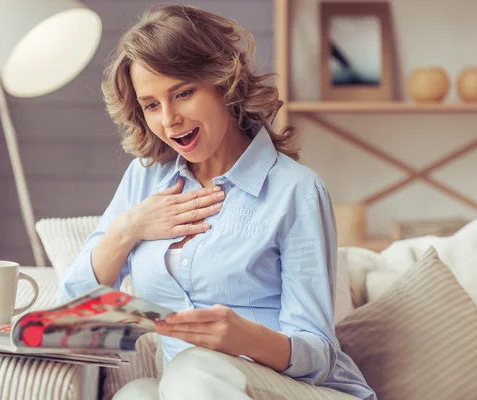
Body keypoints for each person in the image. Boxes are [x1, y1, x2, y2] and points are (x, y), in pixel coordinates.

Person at [58, 5, 375, 400]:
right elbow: (68, 310)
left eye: (183, 93)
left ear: (223, 83)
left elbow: (318, 354)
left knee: (193, 369)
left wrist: (245, 337)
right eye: (151, 105)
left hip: (294, 391)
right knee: (136, 394)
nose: (169, 119)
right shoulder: (146, 178)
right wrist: (128, 228)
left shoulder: (296, 191)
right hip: (190, 390)